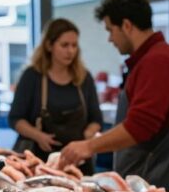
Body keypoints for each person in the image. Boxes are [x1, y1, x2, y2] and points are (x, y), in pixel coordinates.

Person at [57, 0, 169, 192]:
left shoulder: (157, 61)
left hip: (161, 187)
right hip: (152, 183)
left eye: (110, 30)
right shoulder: (153, 58)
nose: (110, 39)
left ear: (126, 25)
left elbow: (140, 126)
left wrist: (89, 146)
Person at [9, 18, 102, 173]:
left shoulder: (84, 78)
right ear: (49, 45)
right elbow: (16, 119)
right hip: (40, 162)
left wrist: (86, 135)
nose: (70, 51)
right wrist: (38, 135)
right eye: (64, 45)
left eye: (74, 45)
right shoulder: (32, 76)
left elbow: (96, 120)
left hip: (79, 164)